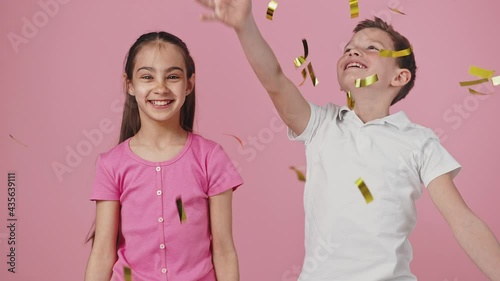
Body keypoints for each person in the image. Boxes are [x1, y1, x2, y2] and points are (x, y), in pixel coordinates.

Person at [195, 0, 500, 280]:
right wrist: (245, 25)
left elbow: (463, 220)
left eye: (371, 48)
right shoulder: (321, 125)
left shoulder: (419, 142)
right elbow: (274, 81)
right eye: (350, 48)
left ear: (399, 77)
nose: (354, 51)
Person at [84, 31, 243, 281]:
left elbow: (223, 251)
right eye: (147, 76)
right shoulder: (111, 164)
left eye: (172, 76)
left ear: (189, 84)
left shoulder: (211, 157)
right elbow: (103, 252)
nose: (160, 87)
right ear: (130, 85)